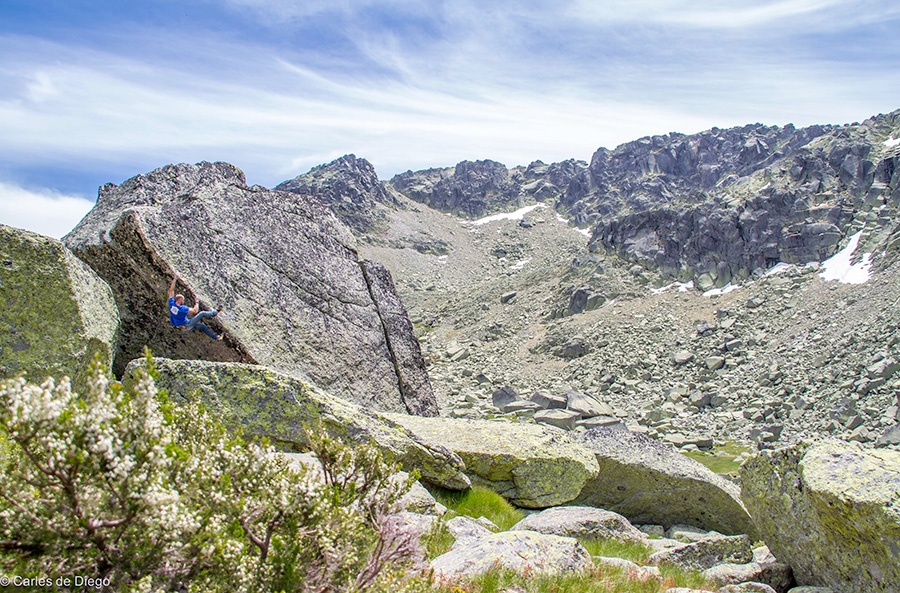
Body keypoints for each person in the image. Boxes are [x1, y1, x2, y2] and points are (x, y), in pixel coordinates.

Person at [167, 275, 224, 341]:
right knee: (202, 313)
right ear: (180, 299)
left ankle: (217, 337)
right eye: (183, 299)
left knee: (202, 327)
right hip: (187, 324)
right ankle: (215, 313)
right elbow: (195, 311)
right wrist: (197, 301)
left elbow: (171, 291)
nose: (183, 301)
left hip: (183, 327)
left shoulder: (171, 304)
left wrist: (175, 279)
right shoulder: (182, 309)